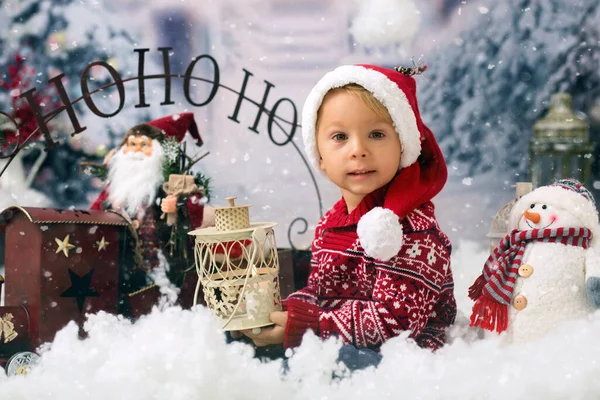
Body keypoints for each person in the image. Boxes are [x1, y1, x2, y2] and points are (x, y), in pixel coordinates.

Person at [240, 64, 457, 368]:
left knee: (315, 364)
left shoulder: (413, 231)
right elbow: (320, 293)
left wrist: (305, 327)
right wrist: (280, 312)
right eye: (340, 136)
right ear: (320, 156)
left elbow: (396, 324)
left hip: (405, 359)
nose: (358, 150)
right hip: (341, 342)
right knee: (251, 355)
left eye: (377, 134)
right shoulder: (330, 224)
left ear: (404, 146)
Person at [90, 113, 215, 292]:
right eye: (132, 144)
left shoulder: (171, 183)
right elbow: (92, 216)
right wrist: (109, 209)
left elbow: (194, 207)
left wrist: (177, 208)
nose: (136, 151)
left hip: (163, 265)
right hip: (121, 265)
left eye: (144, 145)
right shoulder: (116, 188)